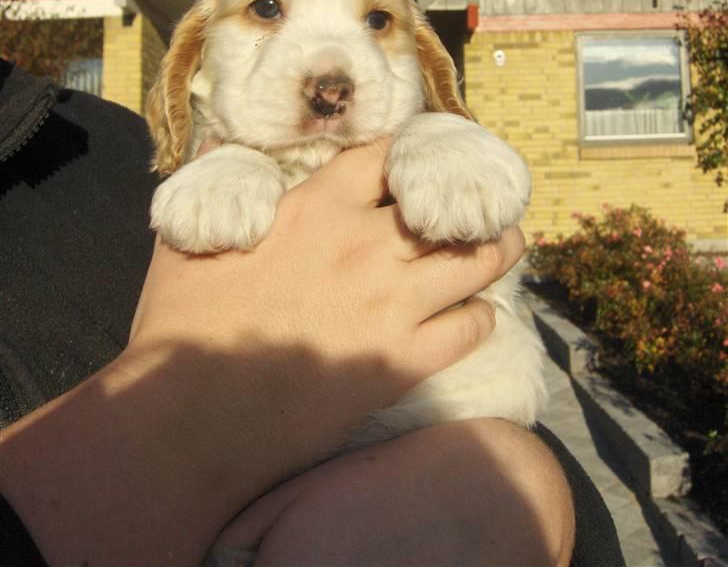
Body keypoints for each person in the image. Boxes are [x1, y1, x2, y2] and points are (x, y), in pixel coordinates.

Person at [0, 58, 623, 566]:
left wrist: (519, 482)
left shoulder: (99, 138)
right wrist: (201, 406)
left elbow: (525, 485)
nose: (328, 78)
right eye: (266, 10)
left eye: (377, 21)